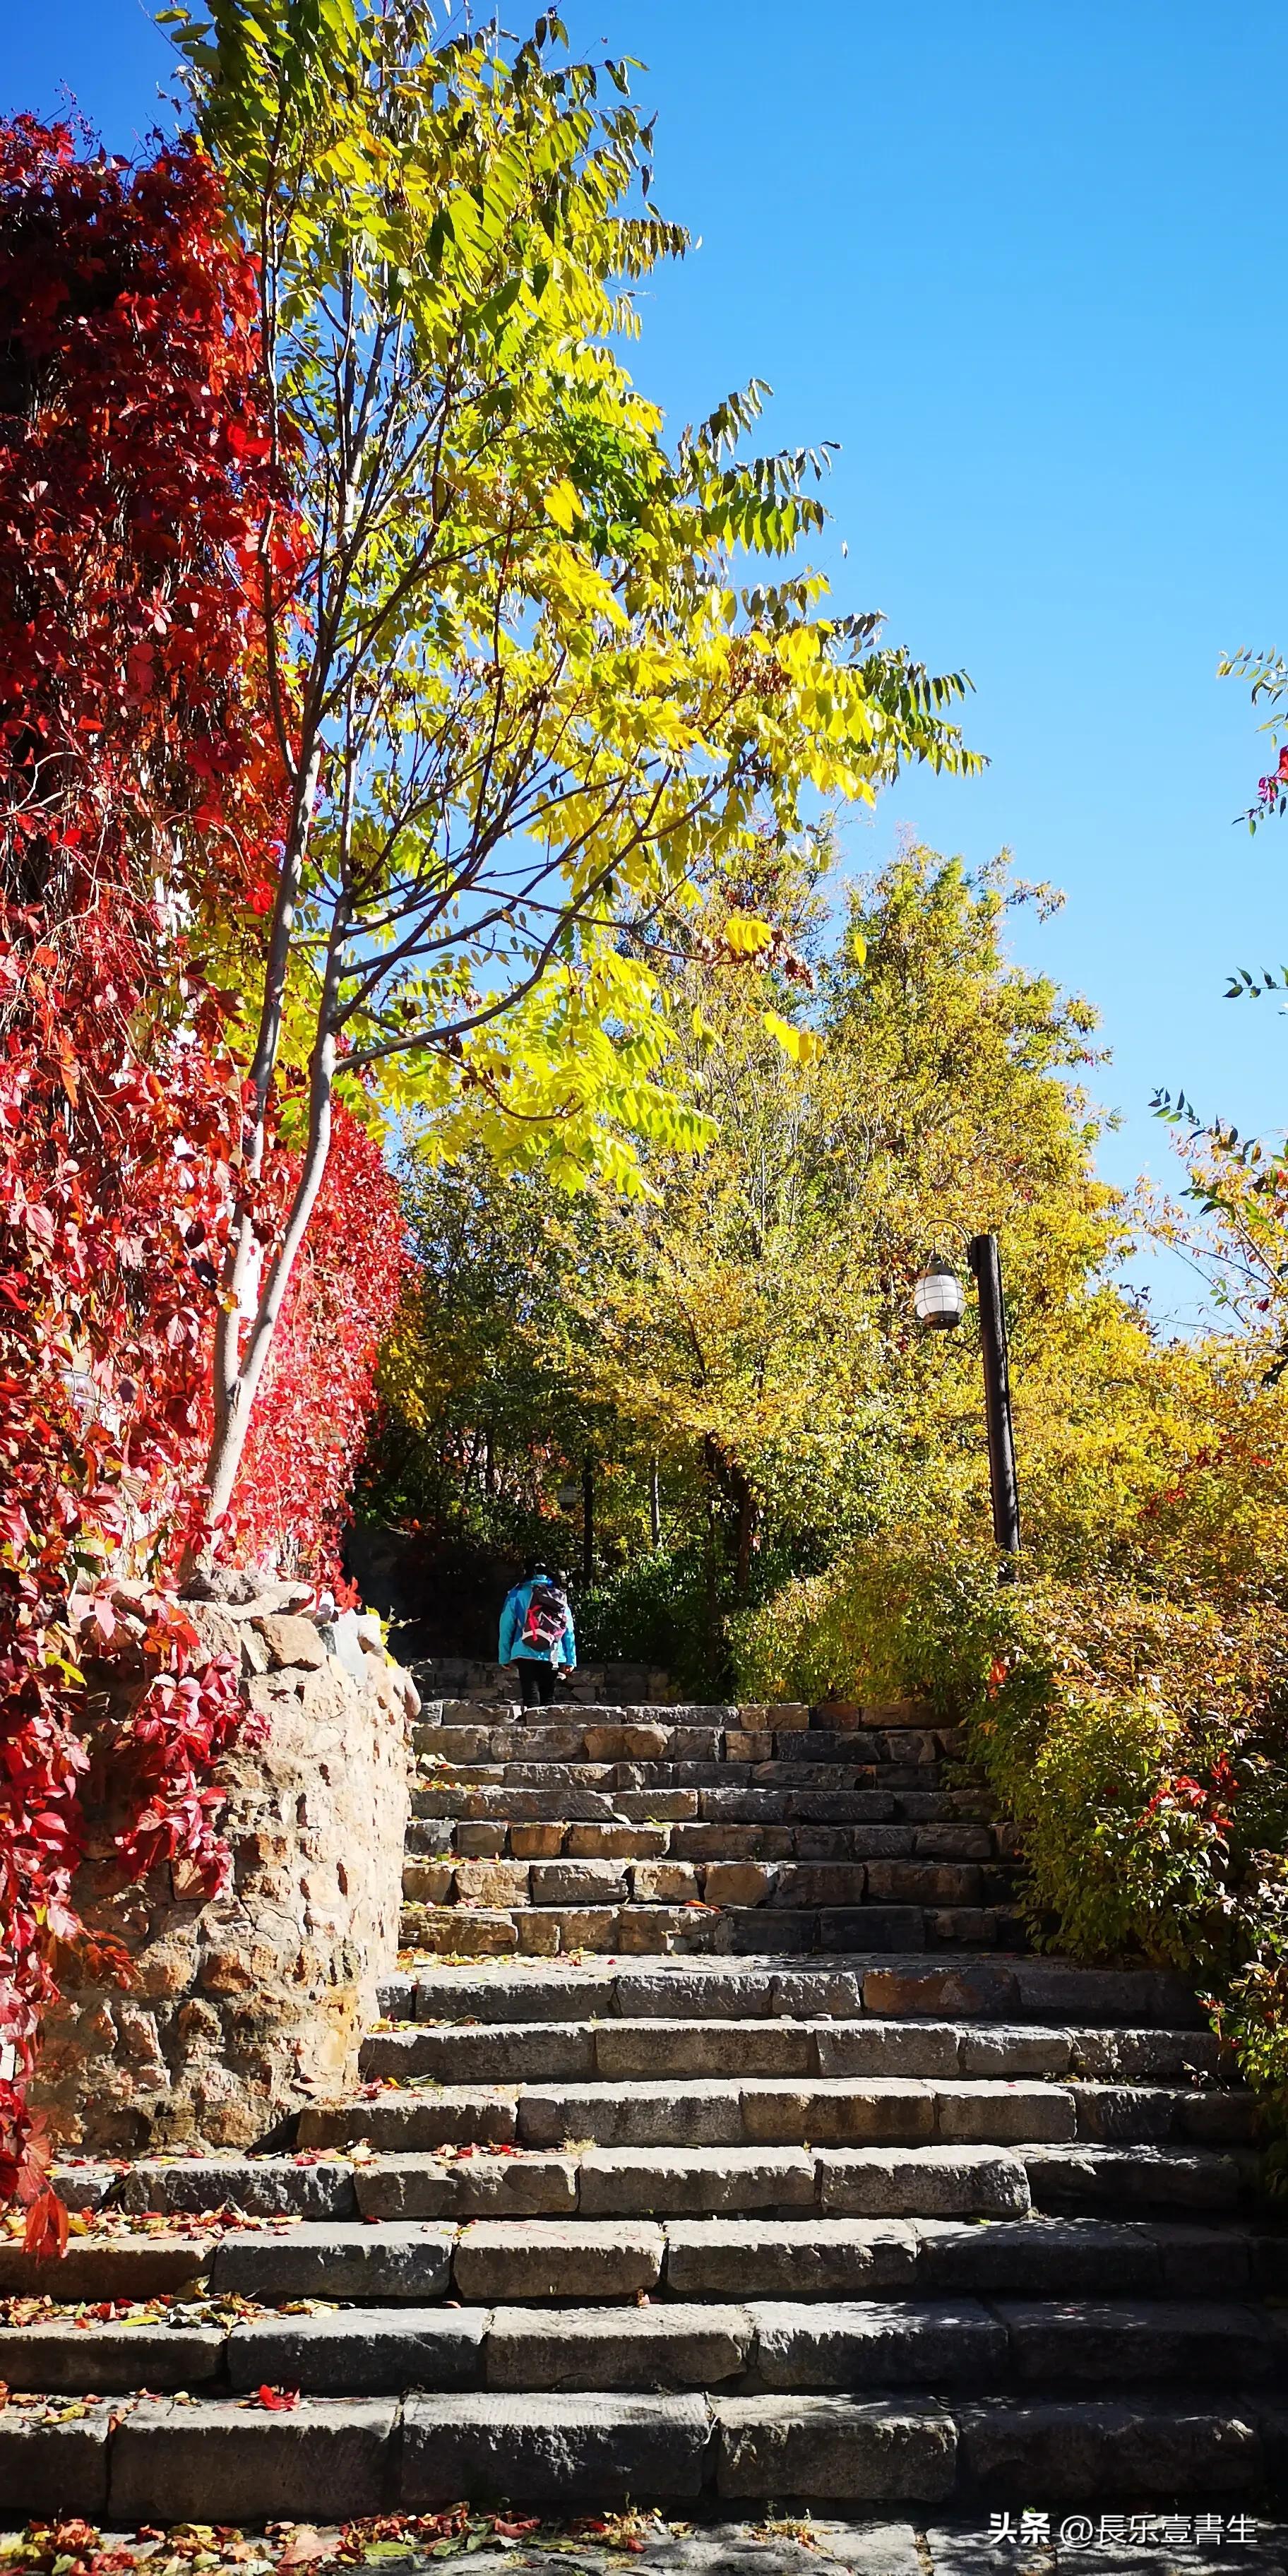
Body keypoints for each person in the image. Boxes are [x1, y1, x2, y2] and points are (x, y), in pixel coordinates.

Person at [498, 1562, 576, 1707]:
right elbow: (568, 1630)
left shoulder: (517, 1594)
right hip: (553, 1651)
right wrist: (571, 1660)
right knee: (548, 1694)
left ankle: (531, 1726)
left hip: (524, 1650)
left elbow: (506, 1626)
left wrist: (504, 1656)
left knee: (530, 1695)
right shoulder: (558, 1594)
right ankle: (548, 1726)